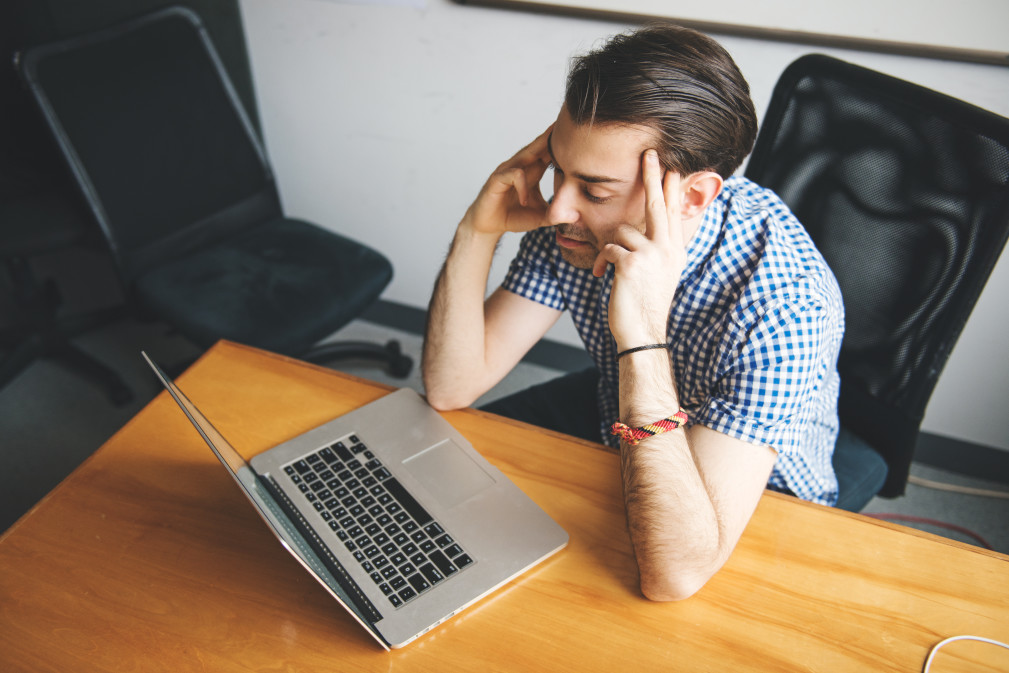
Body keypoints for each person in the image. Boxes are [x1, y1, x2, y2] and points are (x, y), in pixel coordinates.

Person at [422, 24, 844, 601]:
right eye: (559, 172)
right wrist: (477, 230)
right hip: (622, 431)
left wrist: (642, 335)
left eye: (594, 191)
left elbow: (676, 577)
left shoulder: (786, 307)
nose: (557, 208)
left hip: (757, 495)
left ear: (692, 197)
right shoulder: (575, 228)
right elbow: (452, 385)